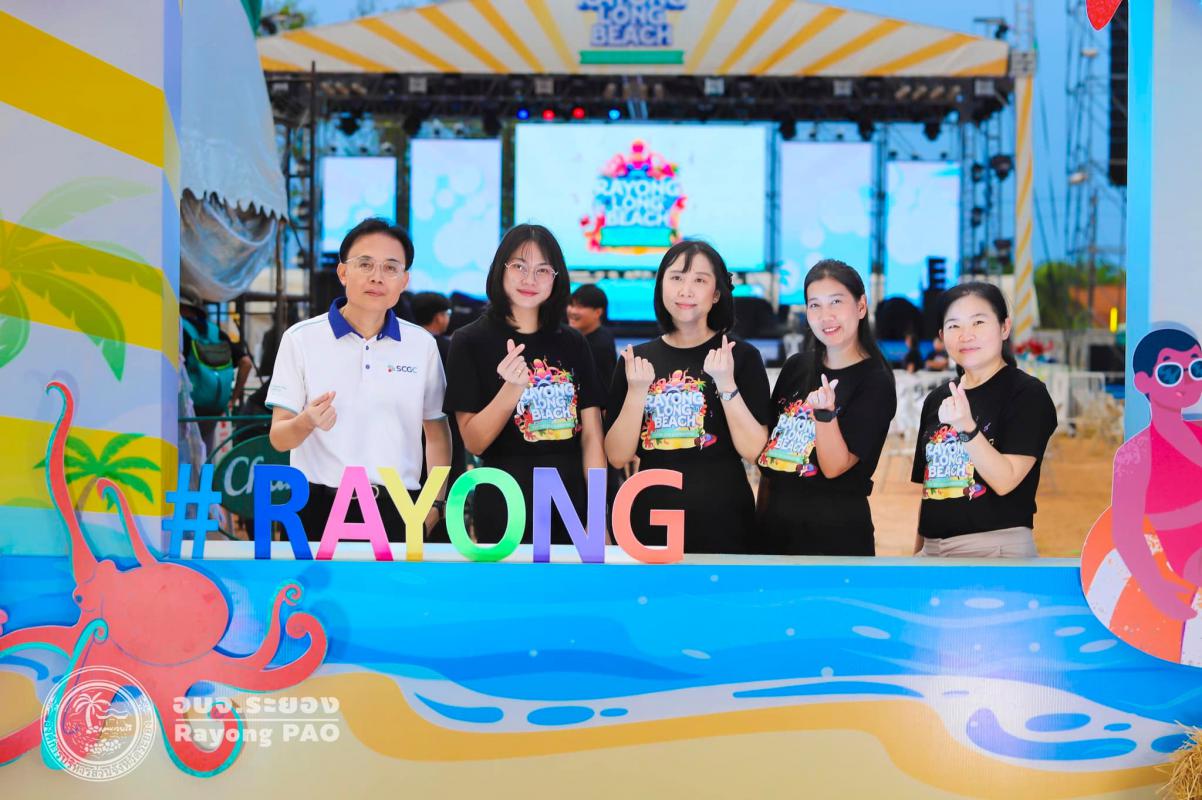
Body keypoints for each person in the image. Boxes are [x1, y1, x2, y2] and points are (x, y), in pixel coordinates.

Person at [267, 218, 452, 543]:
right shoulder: (301, 339)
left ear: (404, 280)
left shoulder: (422, 345)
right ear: (343, 272)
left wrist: (435, 505)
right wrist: (306, 421)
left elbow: (436, 434)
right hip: (317, 507)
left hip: (397, 508)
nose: (376, 276)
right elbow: (279, 438)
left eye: (390, 268)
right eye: (365, 264)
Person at [604, 240, 773, 554]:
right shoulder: (635, 360)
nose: (686, 290)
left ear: (717, 293)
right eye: (676, 278)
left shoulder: (741, 357)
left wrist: (726, 383)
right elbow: (616, 455)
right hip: (650, 521)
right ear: (661, 287)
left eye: (700, 280)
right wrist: (637, 392)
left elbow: (755, 452)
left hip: (725, 521)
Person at [443, 224, 606, 545]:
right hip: (505, 502)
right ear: (500, 270)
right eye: (519, 266)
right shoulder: (469, 340)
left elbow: (592, 438)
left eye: (542, 270)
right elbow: (474, 442)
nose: (530, 279)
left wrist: (598, 515)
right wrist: (511, 389)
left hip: (570, 502)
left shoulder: (573, 342)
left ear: (556, 278)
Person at [756, 260, 896, 556]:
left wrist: (825, 415)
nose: (825, 316)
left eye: (836, 302)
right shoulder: (796, 367)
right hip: (774, 534)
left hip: (834, 540)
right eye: (815, 305)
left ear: (861, 306)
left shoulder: (875, 381)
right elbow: (770, 461)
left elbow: (834, 467)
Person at [911, 282, 1057, 558]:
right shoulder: (938, 399)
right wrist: (919, 553)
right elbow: (931, 489)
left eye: (978, 322)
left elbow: (1006, 480)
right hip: (932, 552)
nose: (966, 335)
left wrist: (966, 427)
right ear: (942, 336)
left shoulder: (1027, 394)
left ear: (1004, 327)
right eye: (954, 325)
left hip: (995, 552)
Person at [1108, 326, 1202, 620]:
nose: (1187, 380)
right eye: (1170, 373)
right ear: (1143, 381)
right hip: (1191, 557)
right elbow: (1126, 533)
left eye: (1196, 369)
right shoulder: (1135, 455)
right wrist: (1157, 591)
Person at [411, 290, 468, 540]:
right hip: (448, 436)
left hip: (411, 443)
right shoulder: (450, 347)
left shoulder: (407, 347)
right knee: (446, 518)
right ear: (439, 317)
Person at [180, 289, 253, 455]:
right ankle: (206, 473)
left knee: (184, 456)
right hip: (214, 407)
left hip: (189, 407)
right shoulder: (216, 332)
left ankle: (189, 473)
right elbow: (246, 363)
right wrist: (232, 399)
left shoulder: (179, 330)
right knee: (206, 452)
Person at [568, 284, 618, 393]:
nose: (572, 311)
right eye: (571, 305)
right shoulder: (575, 337)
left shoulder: (600, 345)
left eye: (580, 307)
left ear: (598, 312)